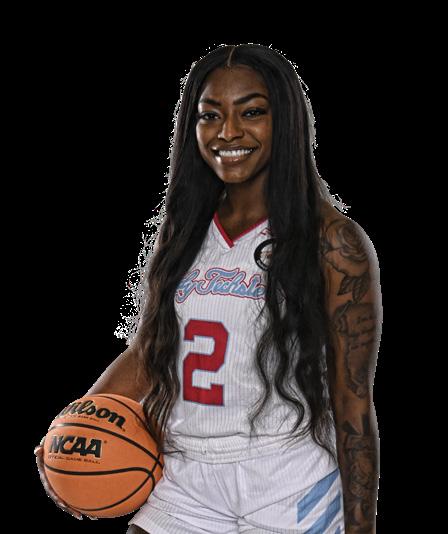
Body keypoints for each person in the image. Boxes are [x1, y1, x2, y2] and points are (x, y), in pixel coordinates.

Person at [35, 43, 382, 533]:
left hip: (287, 478)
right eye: (210, 115)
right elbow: (150, 349)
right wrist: (74, 427)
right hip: (188, 476)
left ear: (285, 121)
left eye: (252, 112)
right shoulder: (187, 229)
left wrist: (361, 527)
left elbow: (352, 400)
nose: (228, 132)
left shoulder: (331, 242)